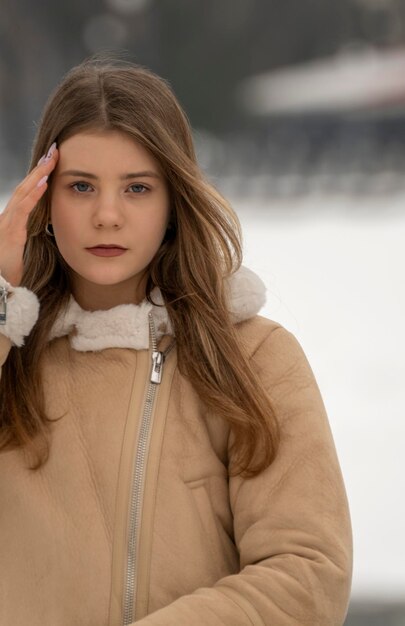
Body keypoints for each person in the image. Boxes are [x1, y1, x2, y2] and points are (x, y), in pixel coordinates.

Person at [0, 57, 352, 626]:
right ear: (40, 201)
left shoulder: (254, 358)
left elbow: (308, 573)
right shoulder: (10, 357)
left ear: (172, 204)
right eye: (81, 186)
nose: (107, 215)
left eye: (137, 187)